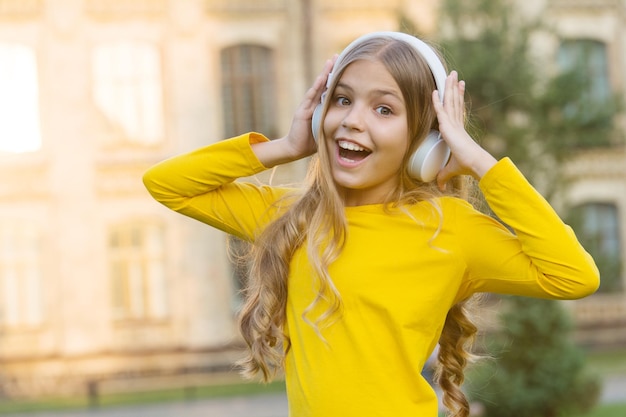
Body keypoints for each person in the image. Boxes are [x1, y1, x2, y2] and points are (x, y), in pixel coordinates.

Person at [143, 32, 599, 417]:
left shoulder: (451, 229)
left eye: (384, 109)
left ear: (424, 140)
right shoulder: (292, 216)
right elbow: (167, 184)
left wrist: (480, 162)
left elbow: (573, 275)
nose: (353, 121)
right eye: (342, 101)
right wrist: (285, 145)